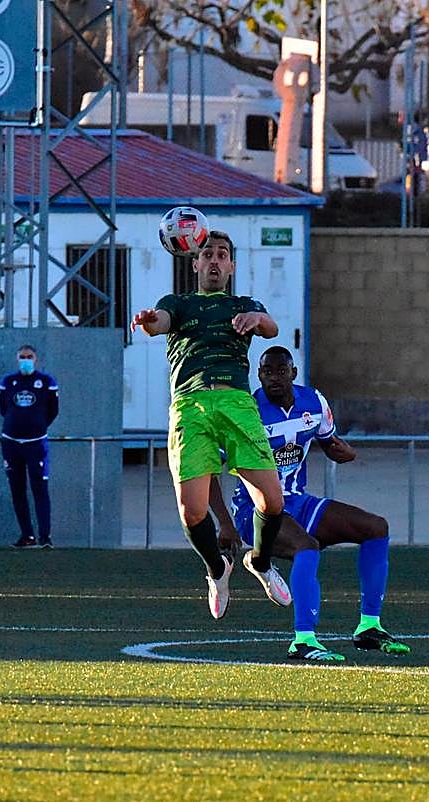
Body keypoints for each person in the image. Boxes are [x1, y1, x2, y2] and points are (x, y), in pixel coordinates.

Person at [210, 346, 410, 662]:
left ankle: (369, 627)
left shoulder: (314, 403)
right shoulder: (246, 412)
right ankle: (303, 640)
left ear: (293, 372)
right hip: (255, 511)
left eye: (280, 370)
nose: (273, 377)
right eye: (266, 372)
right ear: (258, 376)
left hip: (298, 503)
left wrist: (340, 451)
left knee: (375, 528)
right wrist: (225, 522)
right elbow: (208, 471)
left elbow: (328, 441)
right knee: (307, 547)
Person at [130, 228, 291, 619]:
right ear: (196, 262)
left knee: (272, 501)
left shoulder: (242, 303)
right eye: (208, 254)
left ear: (231, 265)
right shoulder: (179, 303)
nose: (215, 260)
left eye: (222, 254)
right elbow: (159, 322)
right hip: (191, 405)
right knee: (193, 511)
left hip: (237, 402)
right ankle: (217, 570)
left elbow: (271, 329)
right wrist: (150, 320)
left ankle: (262, 562)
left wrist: (257, 317)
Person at [0, 344, 59, 549]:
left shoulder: (46, 381)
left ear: (36, 359)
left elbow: (52, 411)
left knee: (40, 489)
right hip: (11, 443)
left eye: (29, 357)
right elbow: (3, 408)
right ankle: (27, 535)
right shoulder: (8, 381)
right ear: (17, 359)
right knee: (17, 490)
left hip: (36, 444)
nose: (26, 360)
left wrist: (37, 426)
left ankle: (45, 537)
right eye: (22, 357)